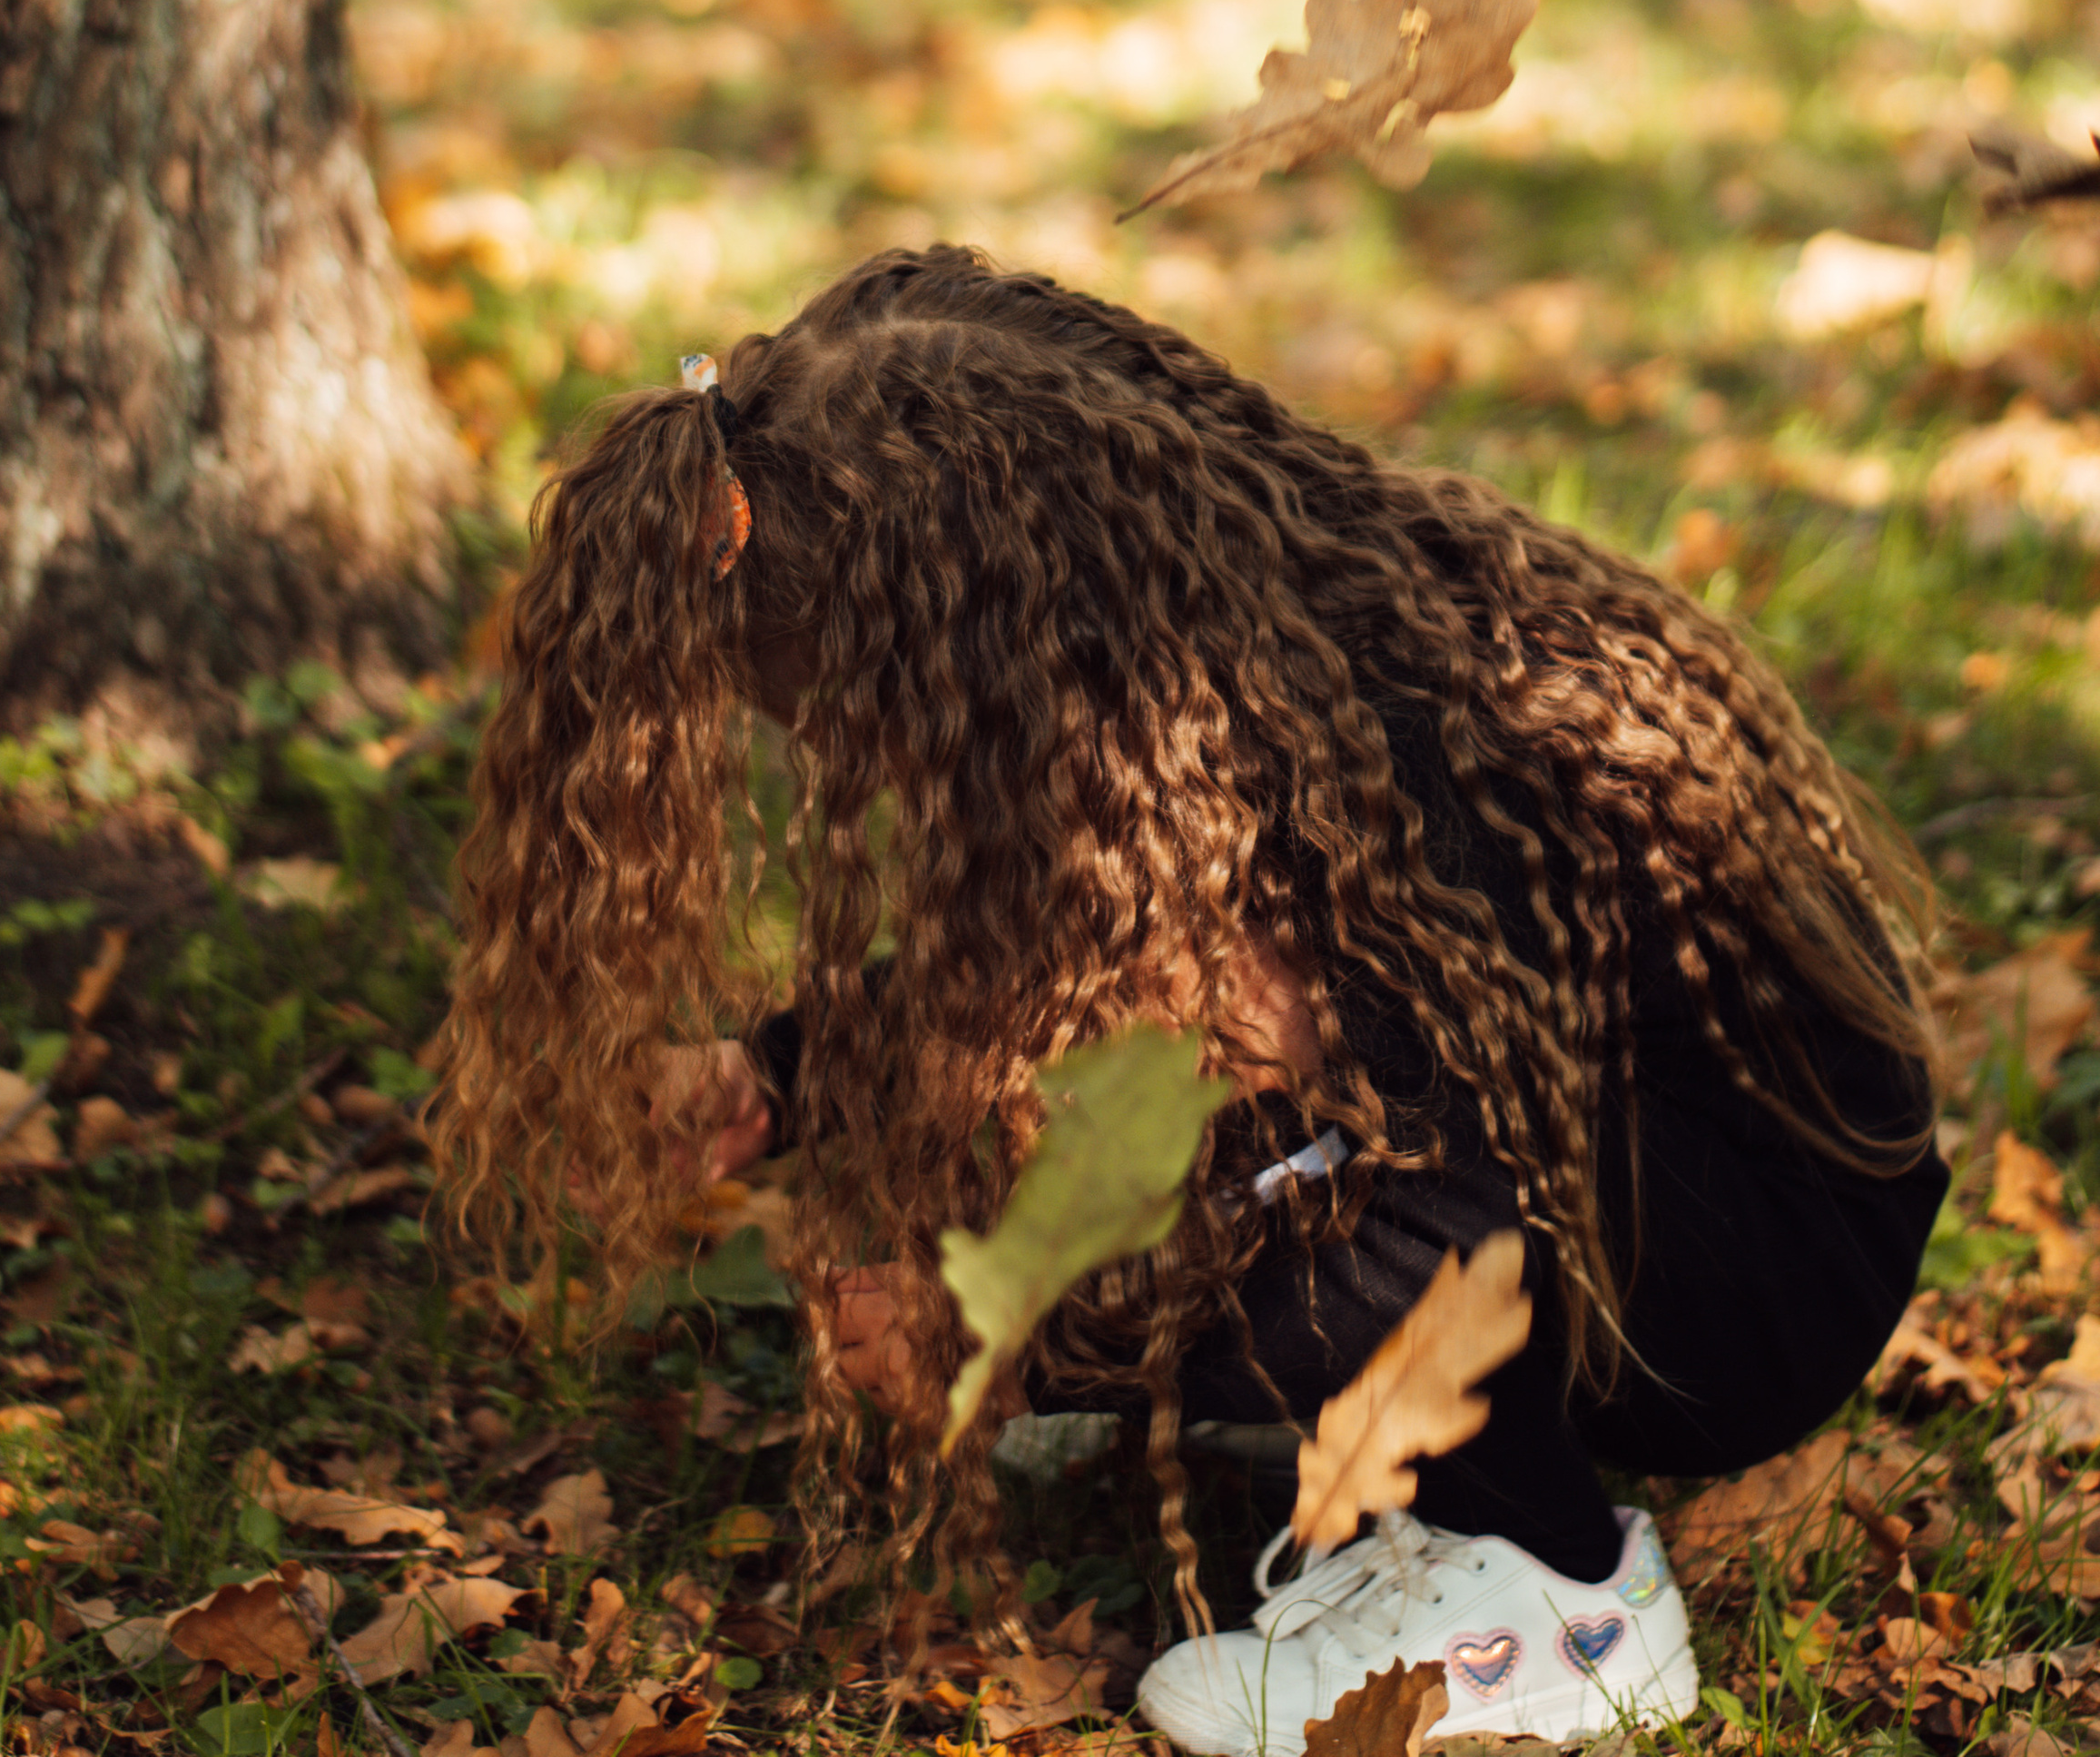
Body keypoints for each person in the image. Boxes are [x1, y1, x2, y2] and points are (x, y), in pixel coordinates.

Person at [435, 246, 1945, 1754]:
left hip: (1746, 1278)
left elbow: (1440, 1213)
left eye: (867, 727)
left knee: (1288, 1130)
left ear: (1001, 658)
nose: (869, 774)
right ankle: (1331, 1423)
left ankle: (1558, 1597)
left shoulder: (1408, 772)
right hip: (1627, 1188)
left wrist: (1037, 1347)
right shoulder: (1245, 682)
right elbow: (1062, 973)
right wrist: (773, 1075)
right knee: (1129, 1029)